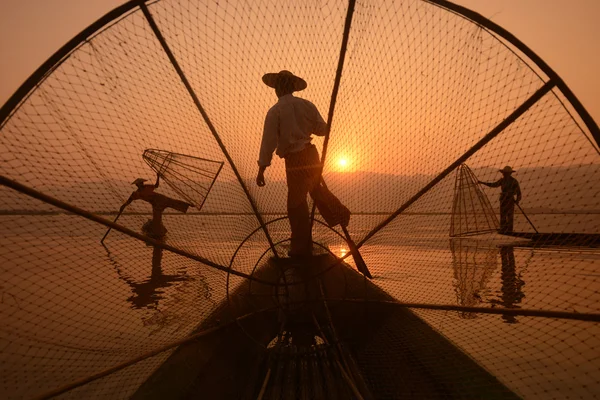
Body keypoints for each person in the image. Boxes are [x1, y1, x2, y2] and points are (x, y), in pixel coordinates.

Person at [256, 70, 349, 257]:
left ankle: (301, 245)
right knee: (315, 190)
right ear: (292, 88)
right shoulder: (306, 105)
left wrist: (262, 168)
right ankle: (340, 213)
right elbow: (322, 130)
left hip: (296, 159)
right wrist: (327, 124)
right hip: (311, 155)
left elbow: (268, 142)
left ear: (278, 90)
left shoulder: (275, 111)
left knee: (295, 204)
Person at [121, 174, 192, 240]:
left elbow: (156, 185)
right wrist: (123, 206)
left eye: (142, 183)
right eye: (140, 184)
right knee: (156, 219)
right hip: (155, 204)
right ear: (137, 185)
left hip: (160, 198)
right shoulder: (136, 193)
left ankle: (188, 204)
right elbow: (129, 201)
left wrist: (158, 177)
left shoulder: (147, 187)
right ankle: (158, 233)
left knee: (172, 202)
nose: (141, 184)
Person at [478, 166, 522, 234]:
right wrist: (482, 182)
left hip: (510, 200)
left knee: (510, 216)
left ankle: (510, 230)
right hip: (503, 200)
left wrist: (517, 200)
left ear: (509, 173)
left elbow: (518, 192)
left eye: (505, 173)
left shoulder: (514, 181)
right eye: (504, 173)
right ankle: (503, 229)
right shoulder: (502, 180)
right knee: (503, 215)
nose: (504, 174)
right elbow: (494, 185)